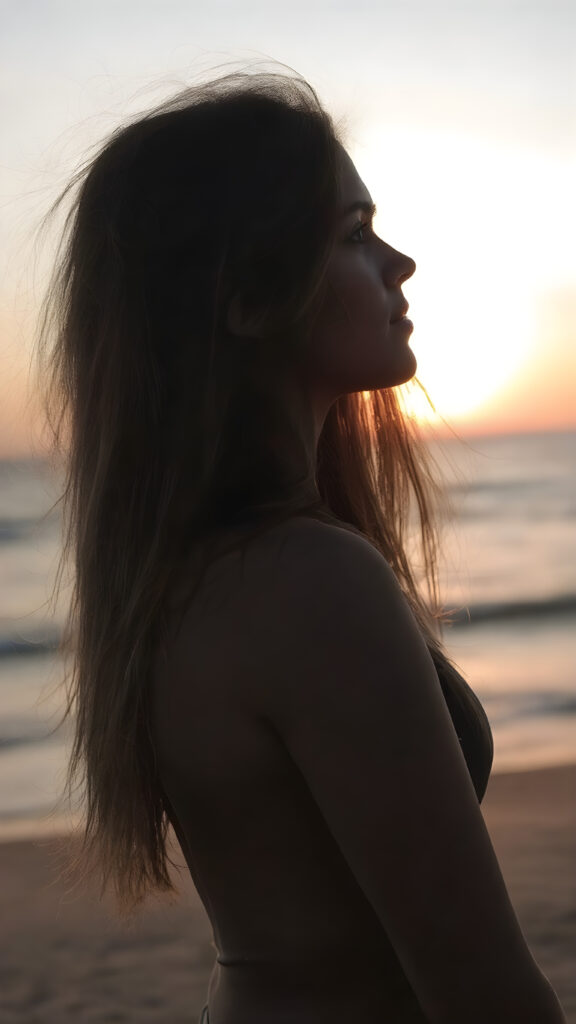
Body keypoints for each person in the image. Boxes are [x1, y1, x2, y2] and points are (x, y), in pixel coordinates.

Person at [35, 63, 567, 1023]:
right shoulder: (306, 583)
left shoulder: (191, 574)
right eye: (355, 235)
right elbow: (485, 991)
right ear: (245, 299)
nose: (400, 264)